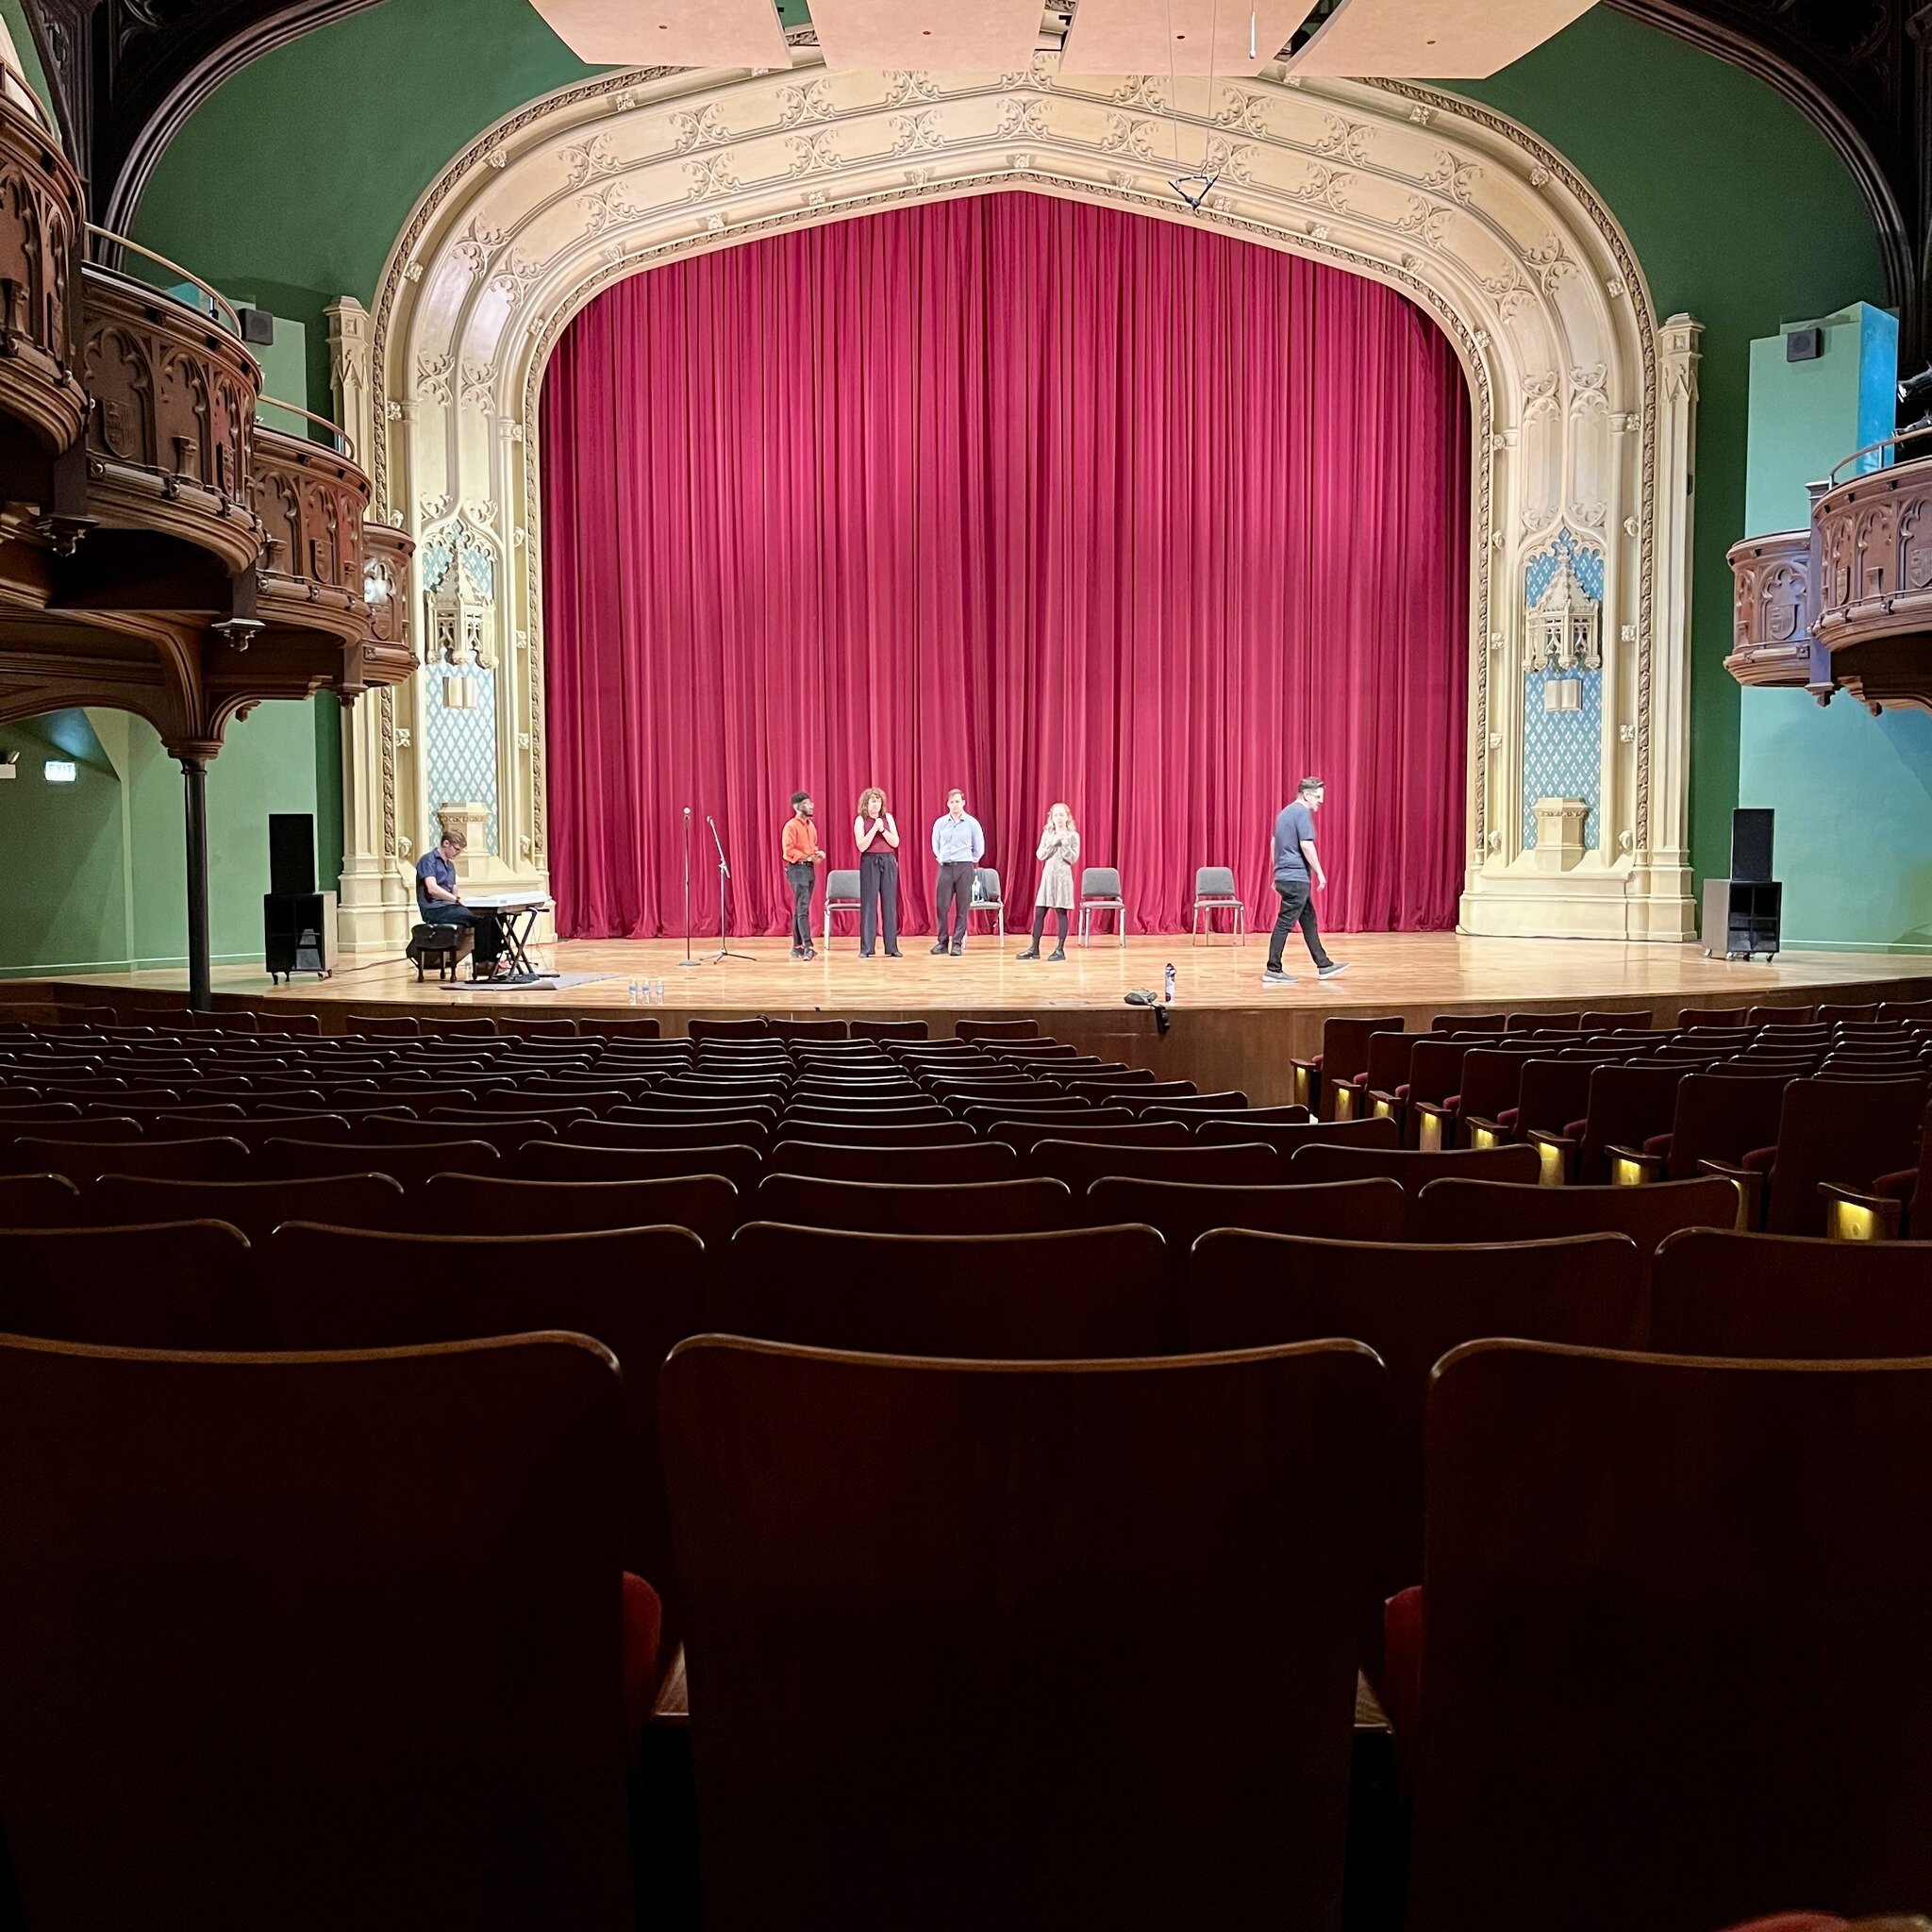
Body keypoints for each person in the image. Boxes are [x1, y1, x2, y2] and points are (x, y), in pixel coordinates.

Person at [1263, 776, 1348, 986]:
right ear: (1307, 794)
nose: (1320, 802)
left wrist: (1277, 871)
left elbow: (1274, 843)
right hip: (1296, 878)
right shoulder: (1301, 812)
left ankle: (1324, 965)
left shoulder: (1284, 813)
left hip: (1286, 875)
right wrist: (1320, 872)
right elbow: (1306, 845)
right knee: (1284, 923)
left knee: (1308, 921)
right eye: (1318, 797)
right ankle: (1273, 969)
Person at [414, 825, 501, 977]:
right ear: (446, 843)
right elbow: (432, 888)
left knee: (492, 916)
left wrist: (466, 901)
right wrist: (456, 900)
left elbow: (453, 890)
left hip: (448, 907)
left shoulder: (450, 865)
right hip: (434, 909)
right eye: (457, 849)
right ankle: (482, 962)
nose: (458, 853)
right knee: (480, 919)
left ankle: (493, 960)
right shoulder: (428, 860)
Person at [1017, 803, 1078, 961]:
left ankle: (1060, 949)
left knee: (1061, 912)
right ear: (1051, 817)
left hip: (1063, 878)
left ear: (1067, 817)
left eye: (1062, 815)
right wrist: (1052, 843)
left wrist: (1064, 843)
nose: (1059, 818)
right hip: (1048, 877)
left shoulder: (1073, 836)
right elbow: (1040, 855)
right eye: (1056, 815)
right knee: (1039, 912)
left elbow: (1072, 859)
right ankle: (1034, 948)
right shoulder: (1047, 834)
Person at [929, 788, 985, 956]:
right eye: (952, 802)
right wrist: (941, 857)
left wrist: (970, 859)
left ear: (963, 803)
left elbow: (979, 847)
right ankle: (942, 942)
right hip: (946, 867)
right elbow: (935, 844)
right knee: (942, 906)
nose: (955, 805)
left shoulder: (972, 823)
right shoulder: (940, 823)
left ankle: (957, 943)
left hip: (964, 868)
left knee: (962, 907)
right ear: (948, 804)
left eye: (958, 801)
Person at [854, 786, 903, 958]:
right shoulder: (861, 820)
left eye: (877, 801)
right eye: (871, 801)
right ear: (865, 804)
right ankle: (867, 948)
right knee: (869, 904)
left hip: (888, 861)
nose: (875, 805)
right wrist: (874, 829)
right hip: (869, 861)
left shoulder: (888, 818)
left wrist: (883, 829)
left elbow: (895, 842)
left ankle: (892, 947)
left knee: (889, 903)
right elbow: (861, 845)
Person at [781, 790, 823, 960]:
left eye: (811, 803)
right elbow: (788, 851)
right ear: (797, 807)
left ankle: (796, 947)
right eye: (806, 804)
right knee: (803, 907)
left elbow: (811, 847)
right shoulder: (791, 826)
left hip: (809, 869)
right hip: (797, 869)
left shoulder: (810, 825)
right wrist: (808, 856)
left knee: (800, 908)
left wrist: (817, 854)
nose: (810, 806)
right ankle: (808, 946)